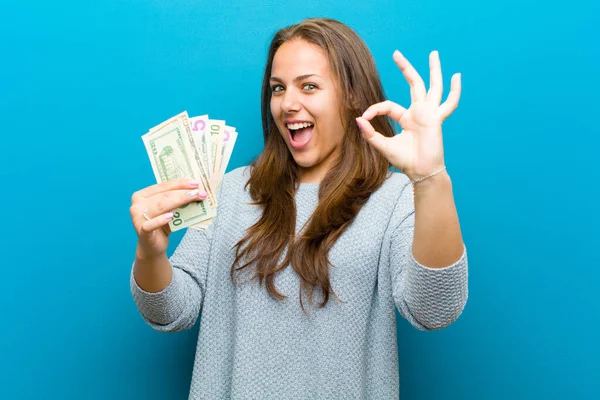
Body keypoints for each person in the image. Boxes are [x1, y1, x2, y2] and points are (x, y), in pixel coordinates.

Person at [129, 17, 468, 399]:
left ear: (353, 97)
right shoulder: (233, 189)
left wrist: (431, 179)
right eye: (278, 88)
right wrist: (150, 253)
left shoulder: (393, 198)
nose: (288, 104)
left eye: (308, 86)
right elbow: (171, 312)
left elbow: (435, 309)